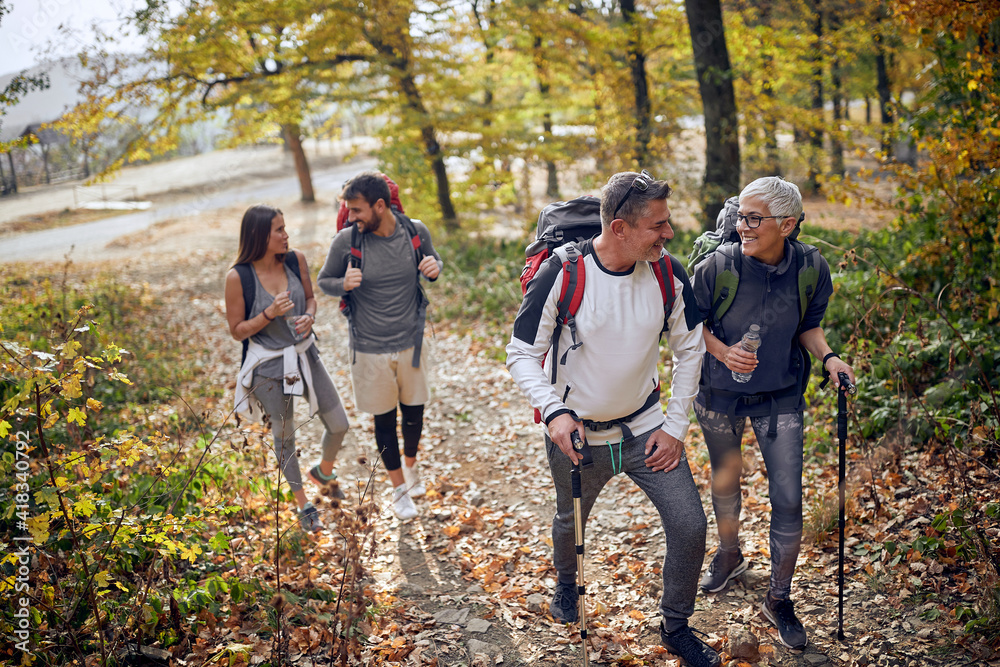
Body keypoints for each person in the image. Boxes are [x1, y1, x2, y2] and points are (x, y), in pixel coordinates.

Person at [506, 171, 721, 667]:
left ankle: (675, 625)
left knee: (689, 524)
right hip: (578, 435)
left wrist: (674, 427)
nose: (669, 234)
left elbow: (689, 352)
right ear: (620, 228)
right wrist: (555, 412)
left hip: (647, 431)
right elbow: (521, 352)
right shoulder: (564, 273)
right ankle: (566, 583)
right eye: (658, 225)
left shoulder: (667, 273)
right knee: (570, 520)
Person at [690, 176, 856, 650]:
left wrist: (829, 357)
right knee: (726, 481)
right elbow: (687, 328)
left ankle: (779, 599)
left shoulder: (811, 268)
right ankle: (728, 555)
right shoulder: (717, 266)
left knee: (788, 498)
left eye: (753, 218)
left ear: (787, 224)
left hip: (781, 393)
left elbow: (809, 326)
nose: (742, 225)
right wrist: (722, 352)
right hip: (720, 394)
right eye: (740, 216)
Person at [317, 172, 443, 522]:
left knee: (414, 414)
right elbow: (324, 281)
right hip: (369, 348)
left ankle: (410, 465)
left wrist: (434, 267)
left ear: (380, 206)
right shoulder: (346, 242)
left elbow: (433, 263)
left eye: (357, 210)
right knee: (384, 421)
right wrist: (341, 282)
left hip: (412, 342)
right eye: (348, 211)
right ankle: (399, 490)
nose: (351, 217)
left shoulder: (415, 231)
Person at [227, 204, 351, 533]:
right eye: (278, 230)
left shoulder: (295, 260)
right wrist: (268, 314)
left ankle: (323, 472)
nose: (286, 235)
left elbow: (310, 298)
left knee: (339, 423)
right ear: (258, 236)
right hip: (268, 367)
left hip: (303, 356)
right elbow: (237, 330)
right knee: (285, 436)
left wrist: (310, 315)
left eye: (285, 228)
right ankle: (304, 505)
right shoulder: (238, 277)